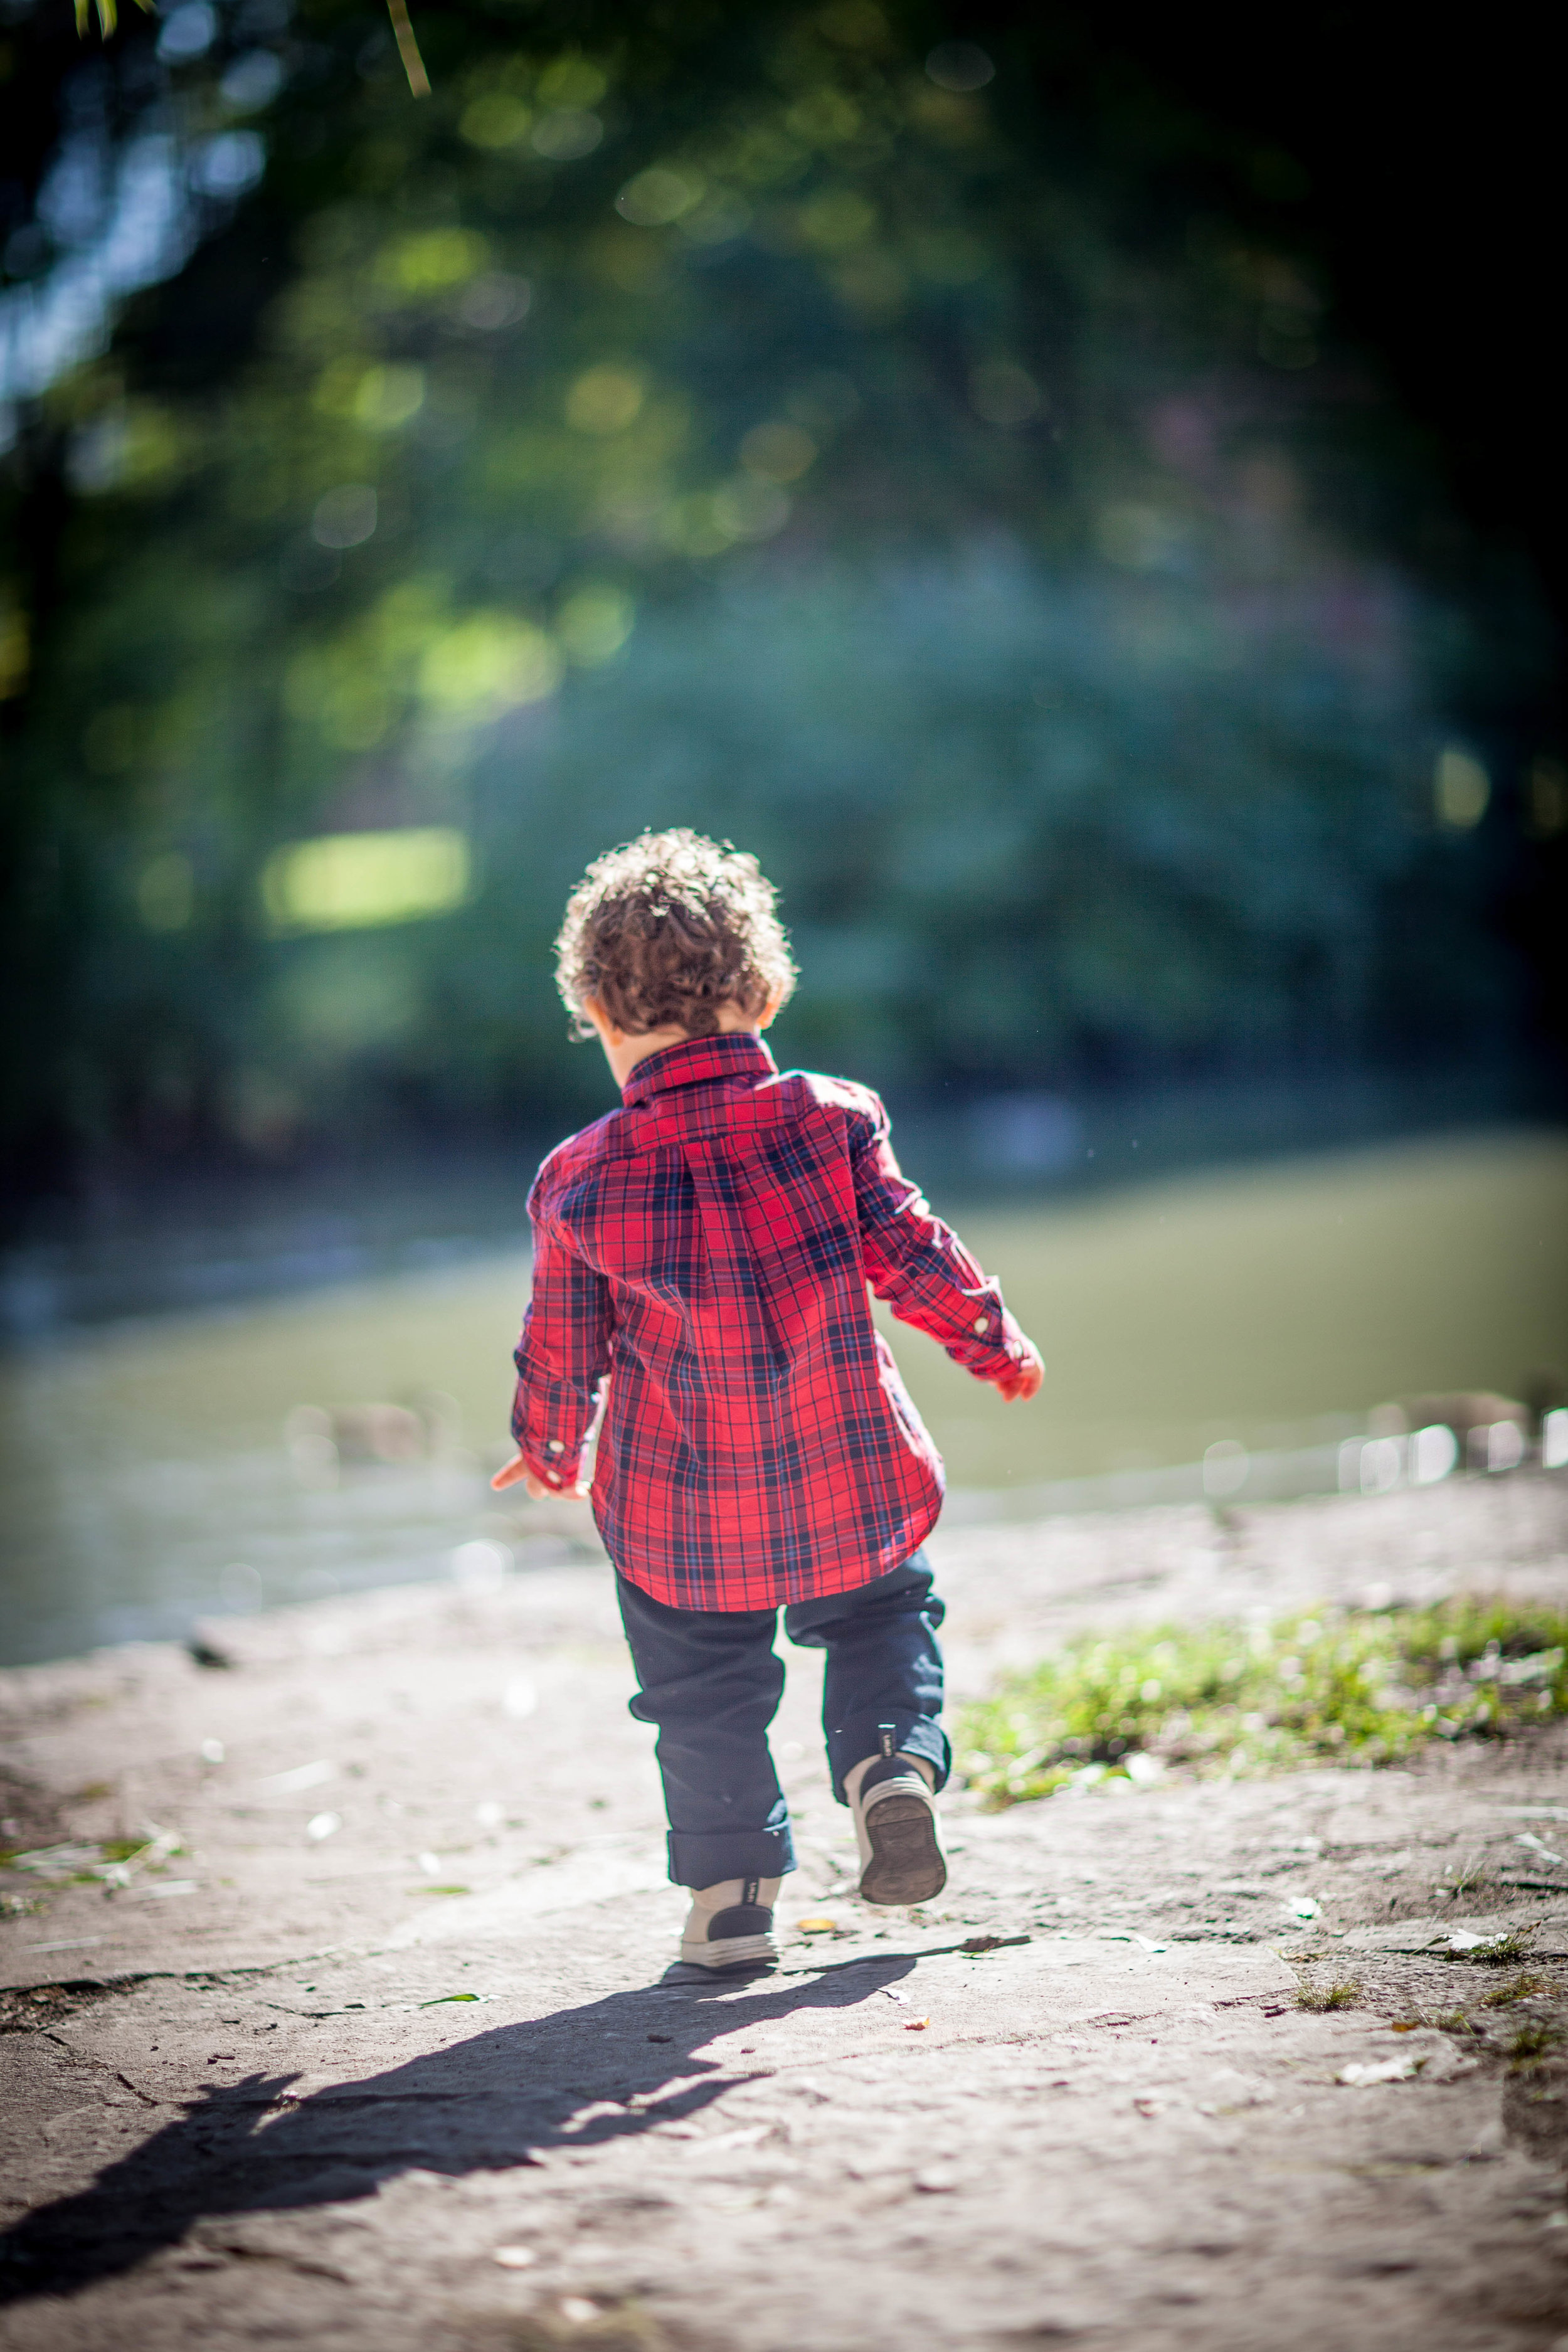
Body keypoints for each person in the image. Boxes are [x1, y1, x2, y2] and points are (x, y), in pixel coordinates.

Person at [492, 830, 1043, 1972]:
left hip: (680, 1517)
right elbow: (914, 1252)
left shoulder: (577, 1178)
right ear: (767, 984)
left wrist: (549, 1446)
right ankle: (888, 1763)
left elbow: (563, 1347)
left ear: (595, 1010)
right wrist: (991, 1339)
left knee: (699, 1691)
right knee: (885, 1617)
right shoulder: (835, 1120)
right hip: (849, 1474)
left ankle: (732, 1902)